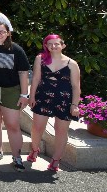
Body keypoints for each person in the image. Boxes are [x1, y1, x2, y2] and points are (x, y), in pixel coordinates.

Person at [28, 34, 81, 173]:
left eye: (56, 43)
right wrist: (31, 96)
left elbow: (76, 86)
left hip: (64, 100)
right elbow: (35, 79)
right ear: (46, 46)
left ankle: (56, 160)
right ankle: (34, 149)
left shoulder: (72, 63)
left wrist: (74, 105)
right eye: (49, 44)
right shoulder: (40, 59)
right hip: (43, 97)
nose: (53, 46)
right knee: (37, 128)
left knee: (61, 130)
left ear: (63, 45)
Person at [0, 21, 30, 171]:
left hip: (11, 90)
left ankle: (17, 156)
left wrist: (24, 94)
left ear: (8, 33)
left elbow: (23, 73)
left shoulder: (16, 50)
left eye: (2, 31)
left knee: (12, 125)